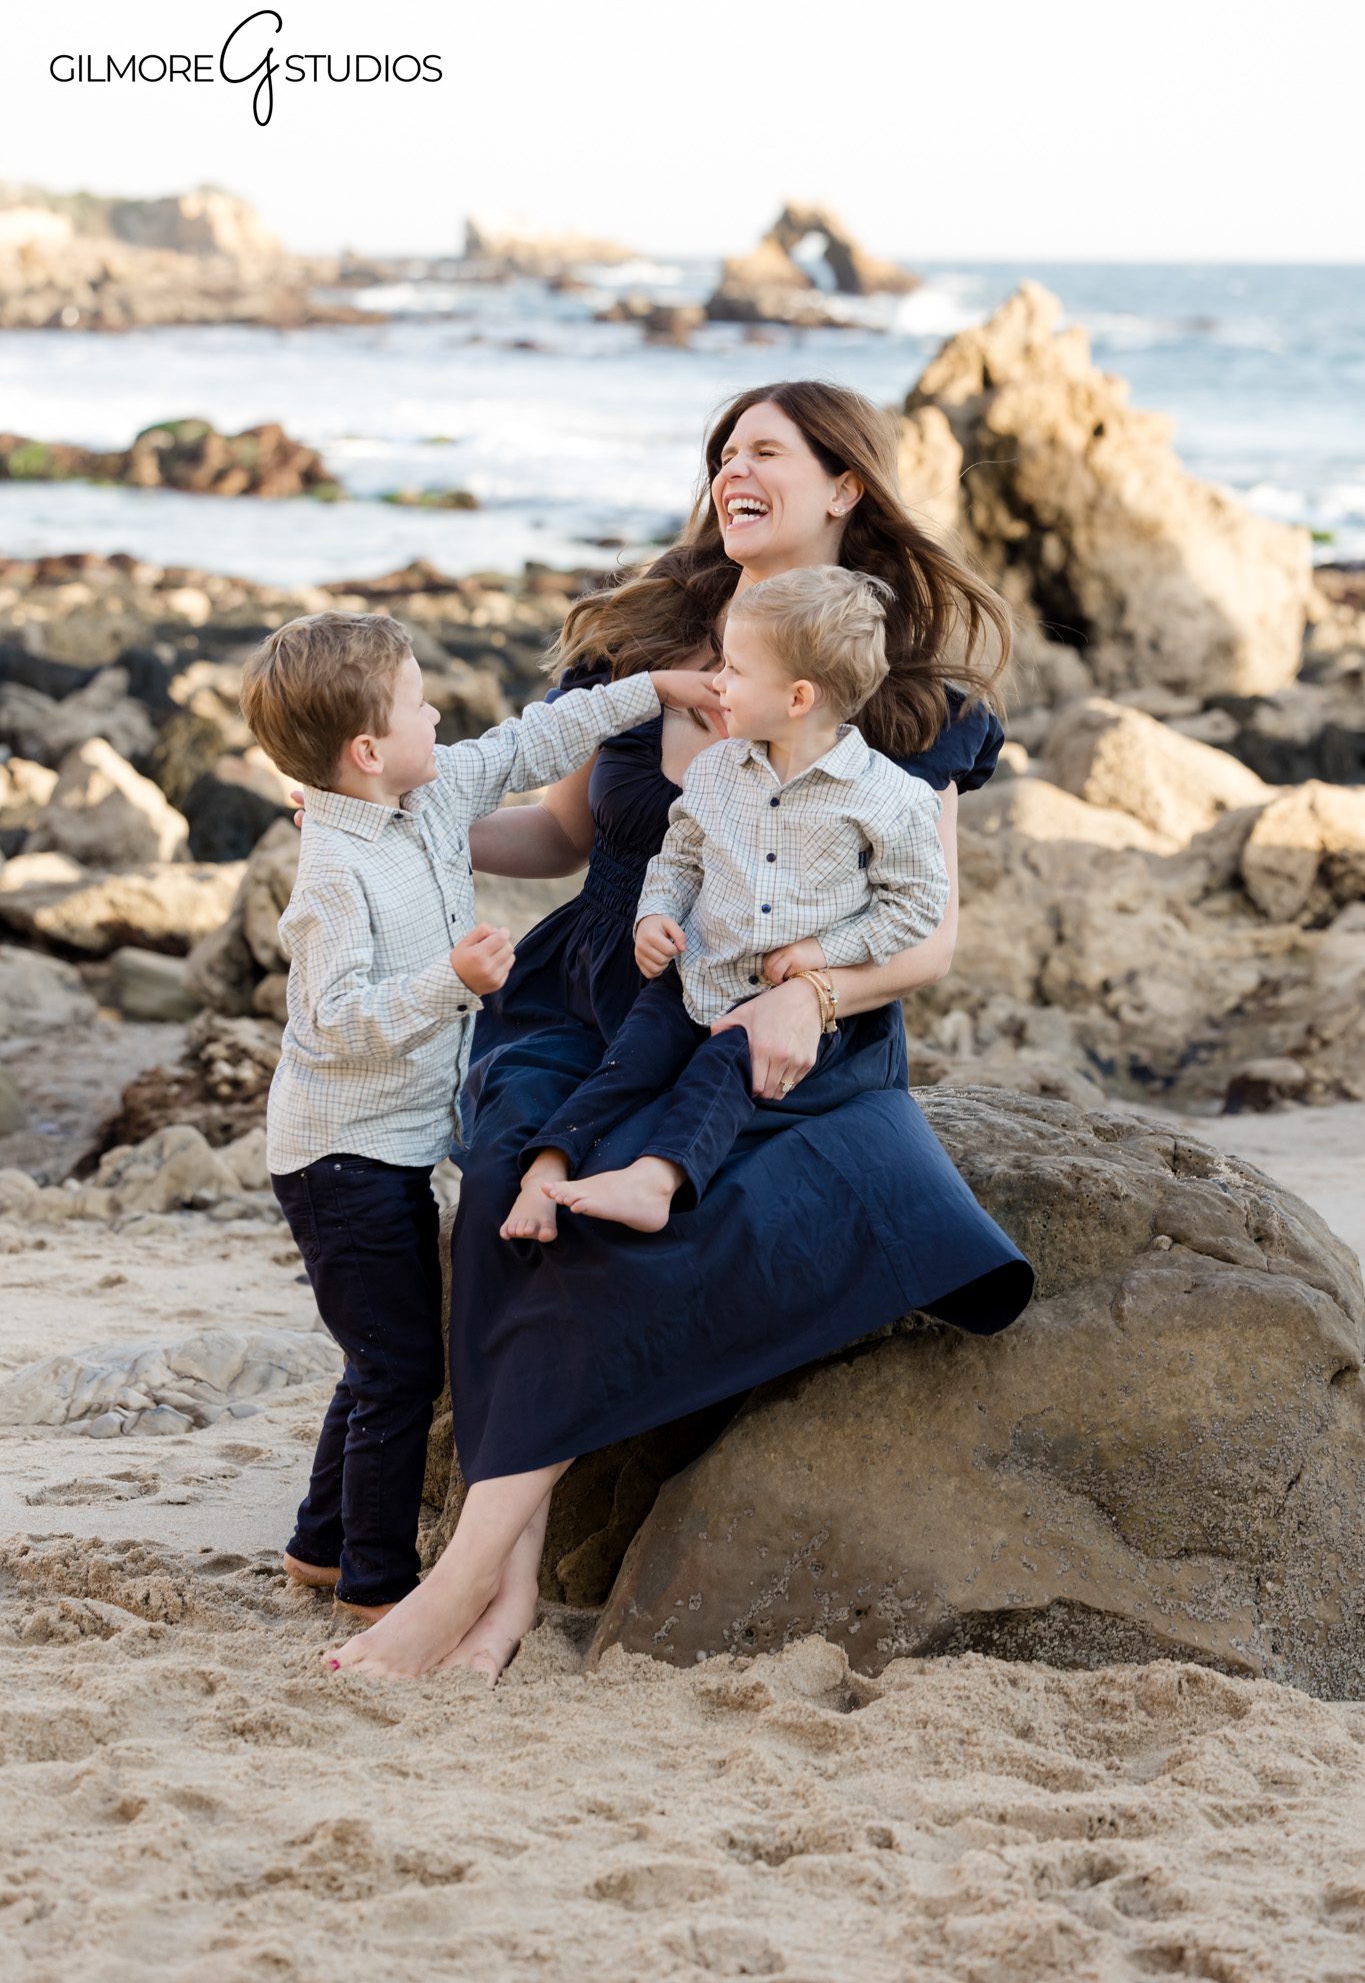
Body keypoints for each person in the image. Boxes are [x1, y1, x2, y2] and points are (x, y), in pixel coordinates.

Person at [331, 380, 1035, 1684]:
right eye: (723, 451)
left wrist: (812, 995)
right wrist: (400, 816)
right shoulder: (639, 645)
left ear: (846, 486)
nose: (731, 470)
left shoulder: (906, 700)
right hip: (592, 982)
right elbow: (561, 834)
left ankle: (458, 1588)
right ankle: (505, 1585)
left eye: (766, 449)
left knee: (609, 1230)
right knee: (506, 1186)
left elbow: (928, 937)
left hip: (777, 1015)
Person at [239, 609, 718, 1620]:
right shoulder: (333, 873)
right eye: (418, 704)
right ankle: (375, 1583)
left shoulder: (434, 791)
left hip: (395, 1146)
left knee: (380, 1353)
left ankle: (319, 1544)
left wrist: (657, 689)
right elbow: (332, 1022)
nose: (438, 715)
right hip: (338, 1157)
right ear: (367, 751)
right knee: (398, 1369)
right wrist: (449, 982)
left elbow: (532, 741)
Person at [507, 565, 950, 1236]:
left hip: (773, 1002)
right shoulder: (717, 767)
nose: (716, 682)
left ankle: (655, 1181)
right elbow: (679, 857)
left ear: (798, 697)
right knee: (626, 1064)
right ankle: (544, 1171)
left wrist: (824, 950)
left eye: (736, 670)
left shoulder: (889, 798)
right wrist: (655, 913)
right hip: (695, 972)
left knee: (720, 1071)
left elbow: (915, 906)